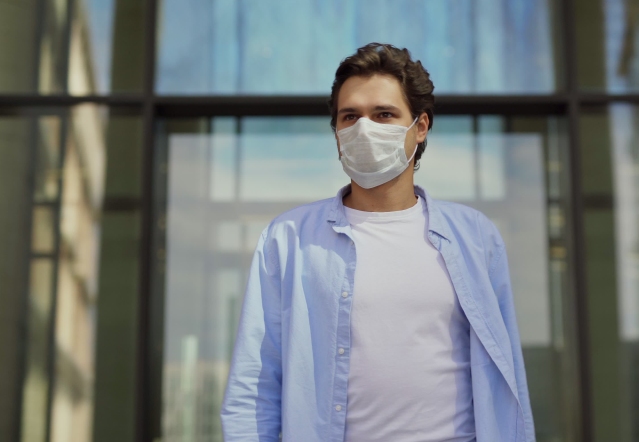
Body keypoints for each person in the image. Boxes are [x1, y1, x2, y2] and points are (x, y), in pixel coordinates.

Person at [221, 43, 535, 442]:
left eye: (384, 114)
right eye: (349, 116)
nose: (364, 129)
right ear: (336, 131)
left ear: (420, 127)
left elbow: (507, 378)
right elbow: (255, 384)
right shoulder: (288, 239)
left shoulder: (475, 237)